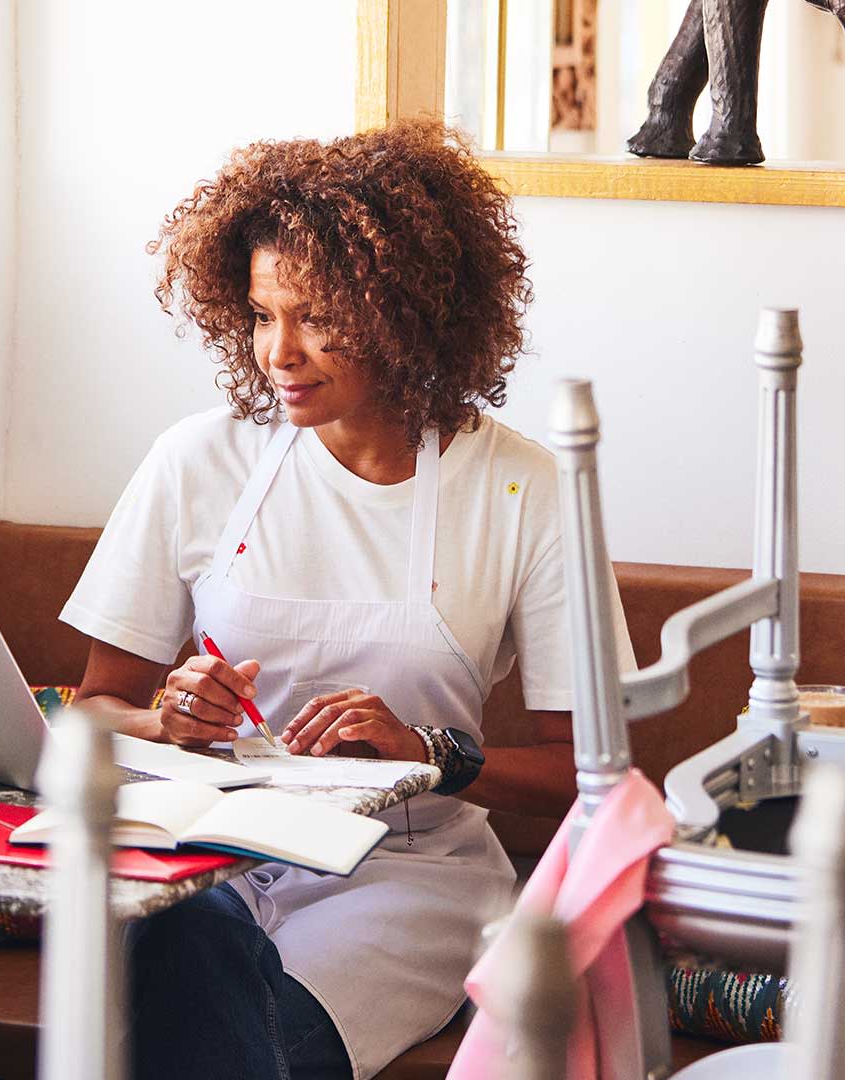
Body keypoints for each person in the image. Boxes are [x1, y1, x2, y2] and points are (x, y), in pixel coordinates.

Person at [59, 118, 635, 1080]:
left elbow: (597, 774)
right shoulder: (197, 461)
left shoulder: (526, 489)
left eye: (316, 316)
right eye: (258, 315)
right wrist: (167, 719)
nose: (277, 352)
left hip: (407, 879)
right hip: (217, 851)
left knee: (227, 1006)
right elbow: (93, 710)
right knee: (189, 940)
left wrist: (428, 753)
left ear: (408, 312)